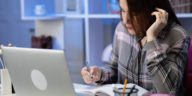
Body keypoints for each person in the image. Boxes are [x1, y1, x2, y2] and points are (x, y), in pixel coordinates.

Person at [81, 0, 190, 95]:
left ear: (155, 11)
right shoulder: (121, 29)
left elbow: (168, 91)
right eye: (123, 11)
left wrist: (151, 38)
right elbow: (114, 69)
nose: (125, 20)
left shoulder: (178, 36)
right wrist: (100, 75)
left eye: (134, 13)